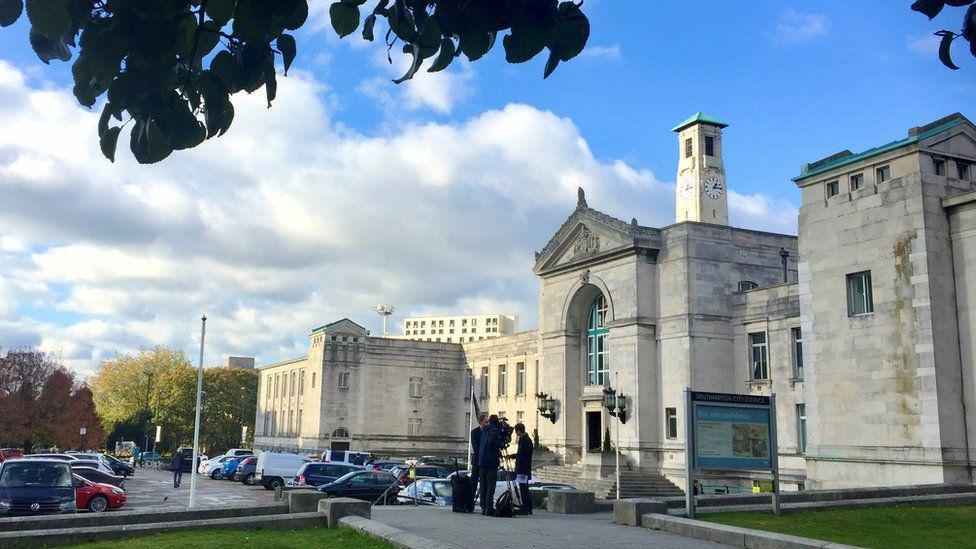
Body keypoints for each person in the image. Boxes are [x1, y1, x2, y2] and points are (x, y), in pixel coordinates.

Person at [507, 423, 534, 515]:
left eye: (516, 431)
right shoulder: (524, 440)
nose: (515, 433)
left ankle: (526, 508)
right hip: (522, 468)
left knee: (524, 489)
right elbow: (520, 454)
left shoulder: (525, 441)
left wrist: (523, 472)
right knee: (523, 488)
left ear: (519, 431)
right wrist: (512, 456)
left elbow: (524, 457)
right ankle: (527, 508)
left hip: (523, 470)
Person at [478, 414, 502, 516]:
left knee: (483, 486)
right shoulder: (494, 430)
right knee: (490, 486)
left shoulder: (485, 430)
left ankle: (484, 508)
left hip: (482, 461)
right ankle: (489, 508)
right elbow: (492, 442)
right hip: (491, 462)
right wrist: (501, 444)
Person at [470, 413, 488, 499]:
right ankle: (470, 503)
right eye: (485, 422)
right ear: (481, 422)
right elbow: (476, 447)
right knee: (473, 482)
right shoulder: (474, 432)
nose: (487, 424)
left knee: (484, 483)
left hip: (485, 462)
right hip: (477, 460)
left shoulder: (488, 432)